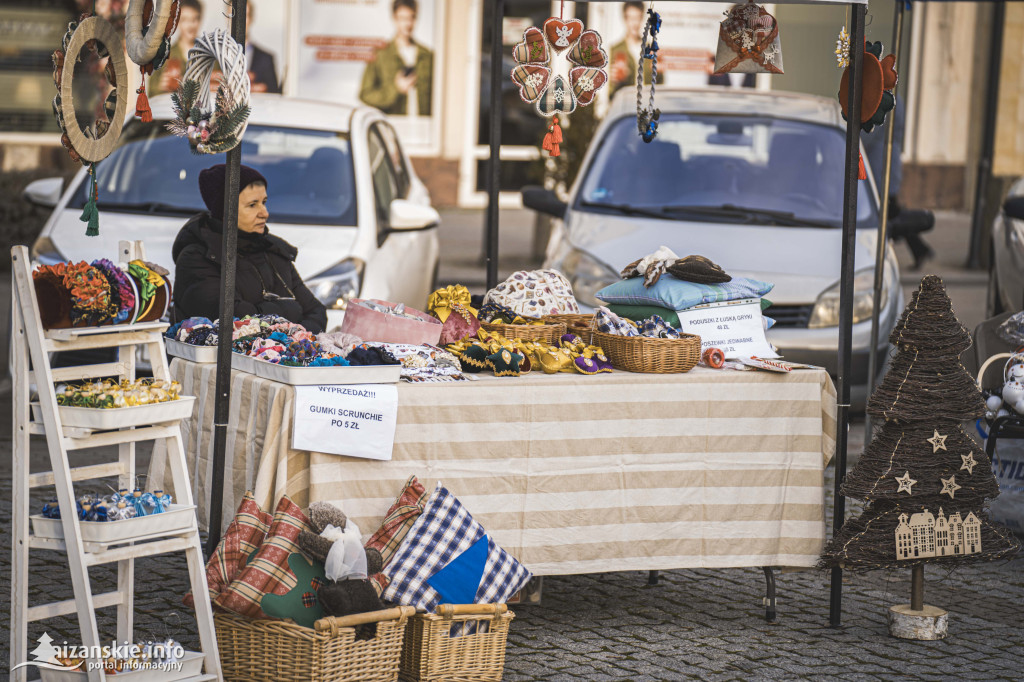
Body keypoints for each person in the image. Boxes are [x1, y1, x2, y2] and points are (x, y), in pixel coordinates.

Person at [171, 164, 328, 333]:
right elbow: (232, 320)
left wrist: (292, 337)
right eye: (253, 205)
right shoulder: (198, 257)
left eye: (264, 202)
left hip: (282, 358)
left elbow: (317, 312)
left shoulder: (273, 251)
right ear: (225, 211)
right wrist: (292, 310)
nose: (264, 213)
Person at [862, 103, 935, 270]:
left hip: (881, 167)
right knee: (890, 212)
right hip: (883, 165)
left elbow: (870, 133)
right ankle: (920, 250)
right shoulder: (889, 98)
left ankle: (919, 249)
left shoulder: (885, 100)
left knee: (888, 213)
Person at [359, 0, 433, 116]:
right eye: (403, 18)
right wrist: (396, 89)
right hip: (392, 124)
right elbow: (365, 94)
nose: (408, 24)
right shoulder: (380, 55)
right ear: (394, 19)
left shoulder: (428, 56)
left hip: (424, 125)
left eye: (411, 18)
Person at [608, 2, 662, 98]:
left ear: (642, 19)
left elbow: (660, 85)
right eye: (631, 18)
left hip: (647, 105)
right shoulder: (614, 51)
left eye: (638, 18)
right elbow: (609, 92)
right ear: (625, 19)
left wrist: (660, 73)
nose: (634, 23)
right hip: (624, 107)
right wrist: (615, 81)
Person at [148, 0, 202, 97]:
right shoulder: (164, 56)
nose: (190, 25)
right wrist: (160, 88)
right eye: (185, 20)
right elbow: (150, 94)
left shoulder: (210, 56)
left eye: (194, 19)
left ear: (199, 20)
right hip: (170, 109)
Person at [245, 0, 281, 93]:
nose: (239, 22)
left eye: (245, 16)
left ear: (251, 18)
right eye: (232, 15)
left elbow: (273, 96)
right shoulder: (214, 56)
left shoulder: (266, 59)